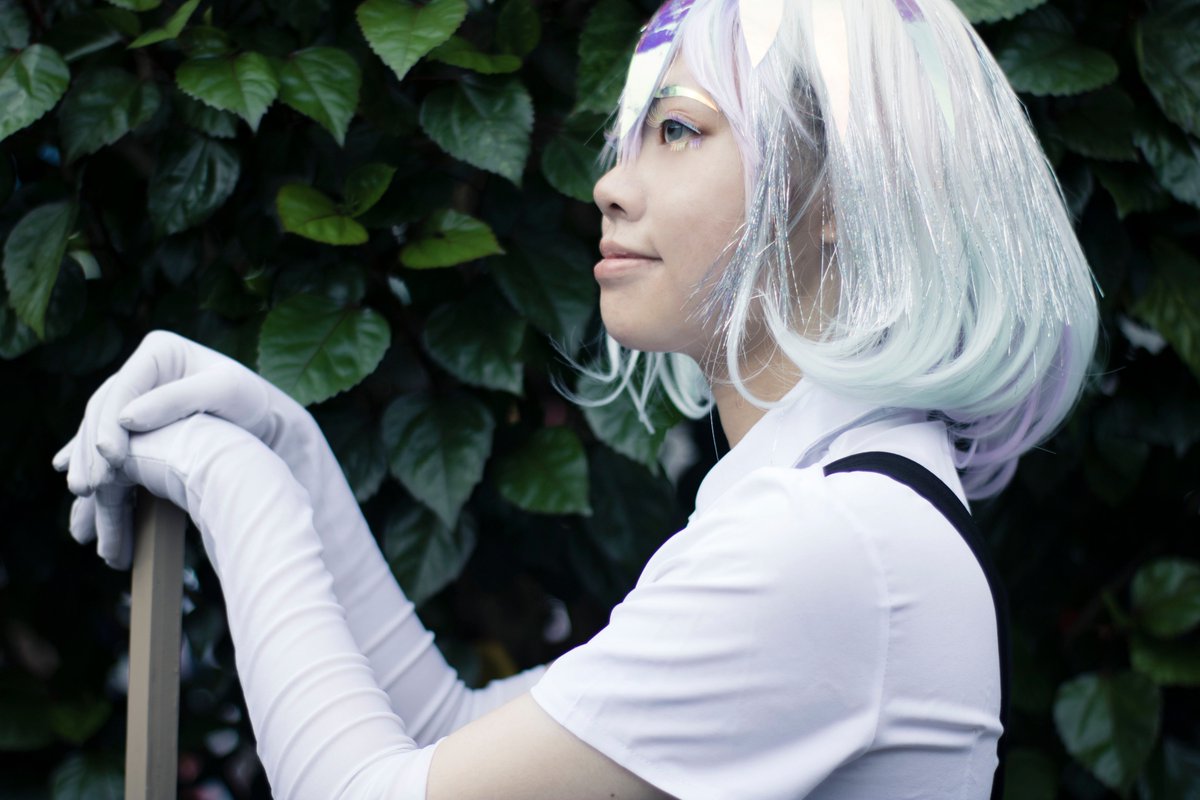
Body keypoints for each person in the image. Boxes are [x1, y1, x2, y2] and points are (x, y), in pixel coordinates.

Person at [53, 0, 1099, 798]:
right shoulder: (836, 510)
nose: (611, 184)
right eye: (629, 139)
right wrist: (285, 443)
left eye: (679, 132)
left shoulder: (828, 545)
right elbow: (445, 733)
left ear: (837, 193)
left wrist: (227, 475)